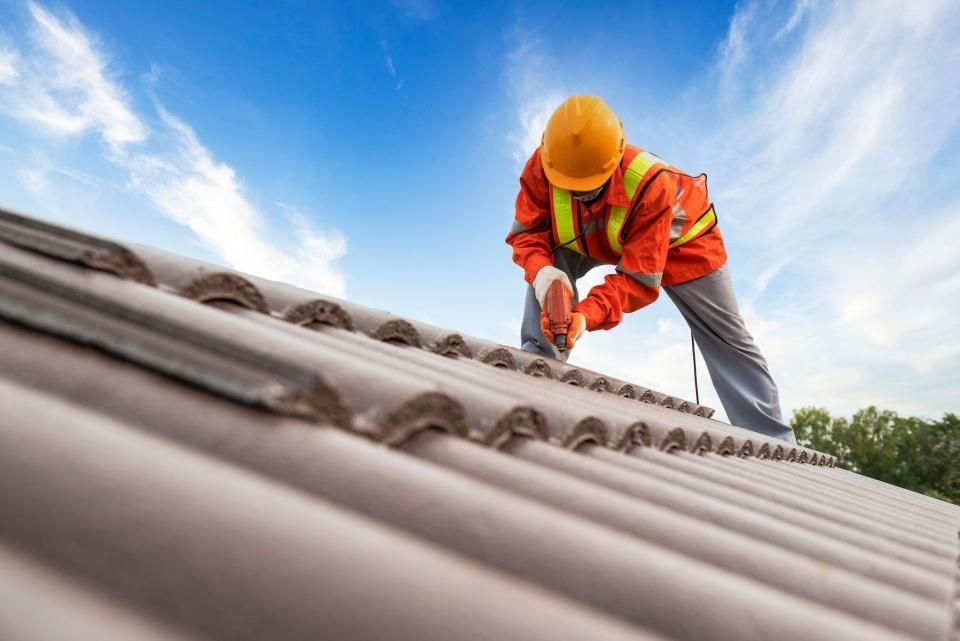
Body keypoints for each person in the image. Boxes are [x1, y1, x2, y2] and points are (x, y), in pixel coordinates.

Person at [505, 94, 794, 442]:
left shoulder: (650, 183)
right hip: (596, 234)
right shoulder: (545, 166)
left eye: (589, 188)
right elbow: (529, 234)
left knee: (727, 339)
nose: (580, 195)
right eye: (572, 188)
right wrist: (544, 277)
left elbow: (638, 279)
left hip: (683, 244)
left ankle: (773, 440)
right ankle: (540, 366)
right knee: (549, 263)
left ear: (613, 161)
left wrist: (586, 316)